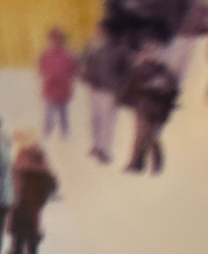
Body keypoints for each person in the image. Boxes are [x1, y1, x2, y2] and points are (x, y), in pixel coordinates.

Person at [122, 45, 180, 174]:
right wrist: (133, 99)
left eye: (151, 53)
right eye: (145, 53)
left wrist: (159, 89)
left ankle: (147, 164)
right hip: (143, 107)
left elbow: (172, 89)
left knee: (147, 136)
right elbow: (127, 89)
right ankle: (139, 164)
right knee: (142, 135)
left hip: (156, 108)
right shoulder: (138, 70)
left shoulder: (162, 71)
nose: (148, 55)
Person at [79, 30, 127, 164]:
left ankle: (102, 149)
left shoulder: (119, 51)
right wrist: (87, 79)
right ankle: (98, 147)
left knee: (102, 121)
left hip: (107, 91)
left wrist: (120, 90)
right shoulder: (96, 51)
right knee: (99, 120)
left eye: (101, 34)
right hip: (99, 91)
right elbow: (86, 67)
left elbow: (126, 73)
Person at [7, 143, 58, 254]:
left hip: (24, 204)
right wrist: (44, 197)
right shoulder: (43, 171)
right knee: (29, 229)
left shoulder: (25, 168)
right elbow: (52, 186)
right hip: (32, 205)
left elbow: (14, 180)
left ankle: (19, 252)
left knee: (21, 229)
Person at [37, 27, 78, 139]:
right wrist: (48, 77)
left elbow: (73, 70)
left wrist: (65, 79)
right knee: (48, 113)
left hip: (63, 89)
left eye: (57, 39)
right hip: (50, 88)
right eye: (52, 39)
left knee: (63, 113)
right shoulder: (45, 54)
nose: (54, 41)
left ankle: (65, 133)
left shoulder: (69, 55)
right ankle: (46, 133)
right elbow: (40, 70)